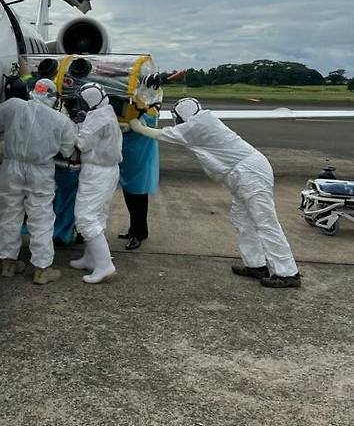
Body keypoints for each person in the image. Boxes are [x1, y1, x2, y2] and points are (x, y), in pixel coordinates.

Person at [128, 97, 301, 288]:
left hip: (249, 173)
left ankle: (287, 273)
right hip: (242, 174)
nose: (177, 121)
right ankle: (256, 265)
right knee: (242, 220)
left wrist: (135, 124)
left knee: (265, 222)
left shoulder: (196, 127)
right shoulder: (203, 120)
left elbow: (160, 134)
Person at [0, 77, 76, 285]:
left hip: (11, 167)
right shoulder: (61, 121)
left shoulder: (12, 106)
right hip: (40, 171)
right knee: (41, 218)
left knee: (8, 214)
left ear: (32, 91)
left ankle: (8, 264)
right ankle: (41, 268)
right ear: (54, 97)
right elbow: (68, 150)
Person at [70, 82, 122, 284]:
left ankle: (104, 265)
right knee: (98, 215)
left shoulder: (97, 118)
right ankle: (90, 258)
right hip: (107, 170)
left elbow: (82, 144)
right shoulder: (106, 111)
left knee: (85, 217)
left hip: (97, 171)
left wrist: (75, 126)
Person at [118, 105, 160, 250]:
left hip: (141, 160)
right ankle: (135, 230)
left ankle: (138, 233)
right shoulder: (131, 110)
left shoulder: (149, 113)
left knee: (138, 198)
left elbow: (149, 124)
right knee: (130, 196)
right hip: (130, 158)